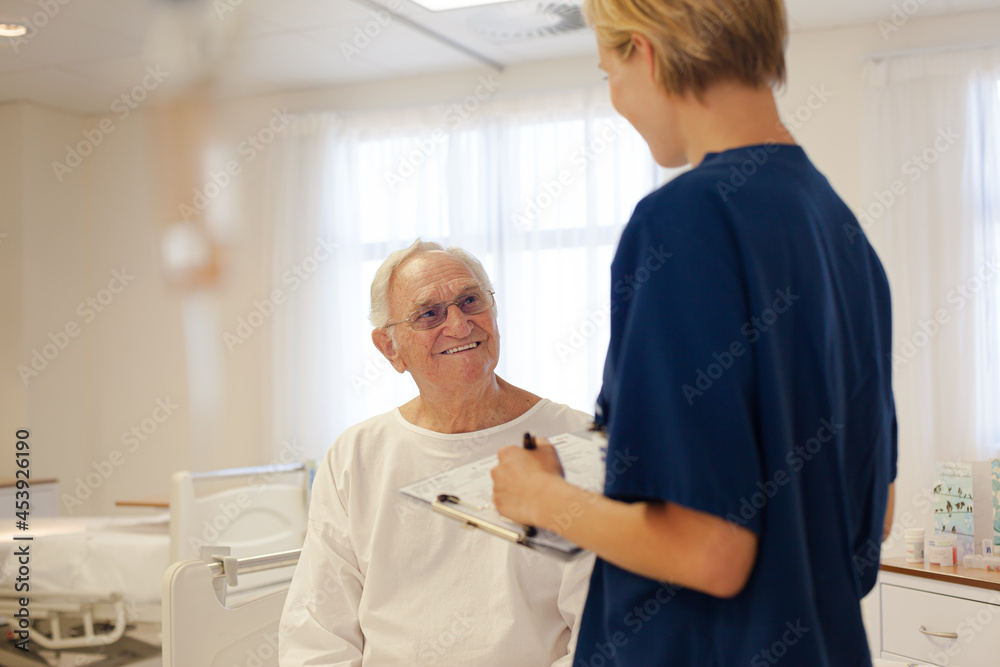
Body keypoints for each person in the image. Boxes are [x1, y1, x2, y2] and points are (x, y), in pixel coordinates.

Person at [491, 1, 897, 665]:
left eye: (609, 75)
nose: (617, 99)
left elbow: (710, 551)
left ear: (645, 52)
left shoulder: (683, 223)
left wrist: (543, 498)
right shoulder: (843, 233)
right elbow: (874, 515)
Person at [279, 239, 594, 666]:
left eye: (470, 301)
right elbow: (317, 630)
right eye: (429, 314)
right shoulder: (356, 456)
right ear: (390, 348)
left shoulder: (575, 441)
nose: (460, 326)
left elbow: (600, 631)